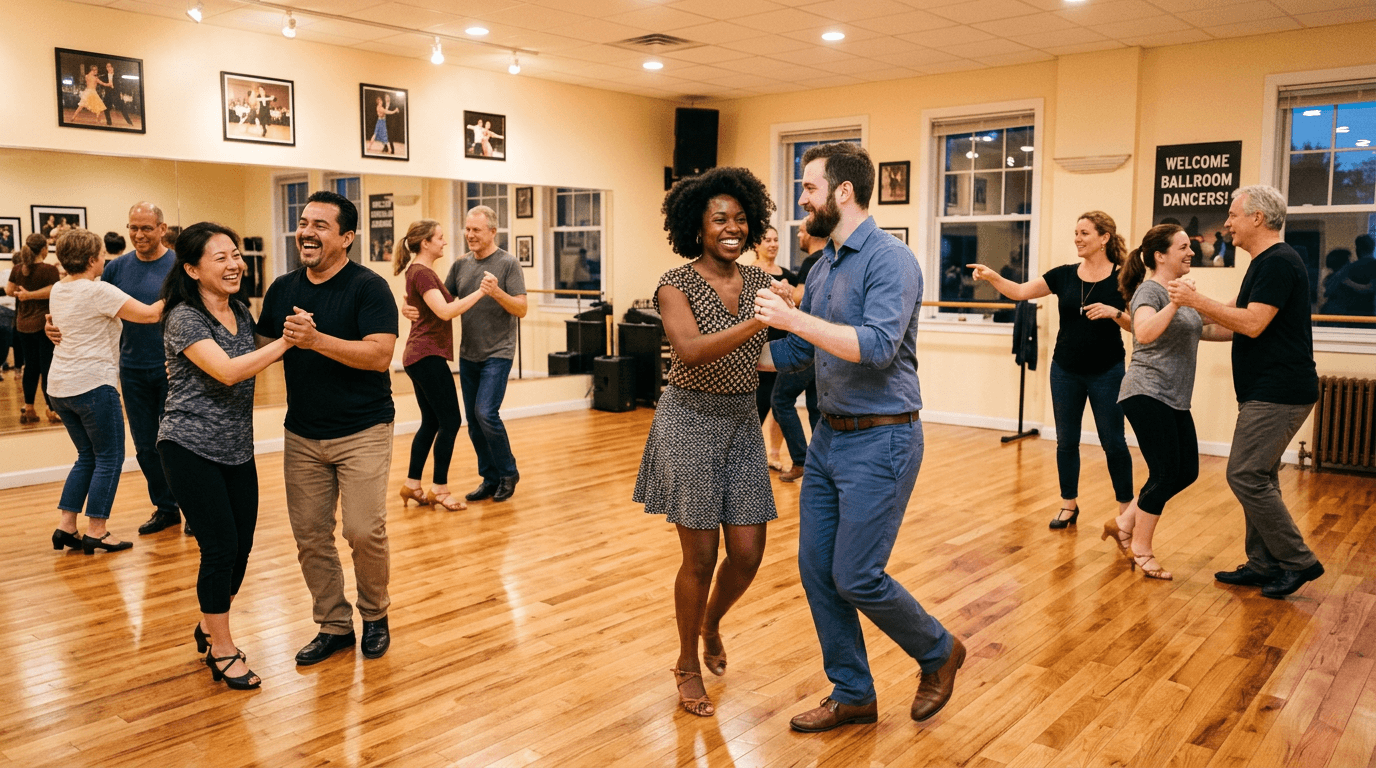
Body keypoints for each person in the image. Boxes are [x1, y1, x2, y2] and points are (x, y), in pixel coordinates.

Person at [754, 142, 962, 733]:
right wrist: (722, 354)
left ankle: (939, 650)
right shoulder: (823, 267)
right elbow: (798, 354)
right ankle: (853, 693)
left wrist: (793, 316)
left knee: (856, 575)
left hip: (883, 440)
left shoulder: (891, 261)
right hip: (828, 440)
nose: (802, 199)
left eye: (809, 188)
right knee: (817, 570)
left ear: (844, 192)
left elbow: (877, 347)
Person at [633, 166, 778, 718]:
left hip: (742, 421)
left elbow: (775, 348)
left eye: (740, 218)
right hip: (690, 420)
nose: (732, 228)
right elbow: (691, 351)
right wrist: (760, 320)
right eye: (720, 219)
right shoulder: (675, 284)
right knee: (700, 557)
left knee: (748, 554)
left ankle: (711, 622)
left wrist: (800, 323)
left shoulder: (761, 282)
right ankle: (686, 663)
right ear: (697, 226)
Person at [258, 190, 399, 664]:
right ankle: (334, 625)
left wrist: (316, 340)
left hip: (363, 429)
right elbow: (256, 347)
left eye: (320, 225)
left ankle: (375, 615)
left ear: (347, 237)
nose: (307, 232)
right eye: (304, 223)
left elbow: (379, 355)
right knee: (311, 536)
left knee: (363, 530)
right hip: (302, 432)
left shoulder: (369, 287)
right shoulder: (282, 289)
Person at [1168, 185, 1324, 600]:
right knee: (1261, 476)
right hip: (1267, 388)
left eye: (1234, 215)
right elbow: (1232, 324)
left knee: (1244, 474)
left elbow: (1252, 323)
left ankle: (1298, 560)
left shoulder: (1279, 262)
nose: (1227, 223)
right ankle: (1263, 563)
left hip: (1280, 391)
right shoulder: (1263, 263)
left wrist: (1195, 300)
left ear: (1257, 218)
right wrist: (1182, 328)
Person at [157, 222, 293, 691]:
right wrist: (287, 342)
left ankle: (208, 624)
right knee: (218, 548)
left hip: (236, 447)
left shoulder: (239, 309)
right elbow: (229, 372)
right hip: (188, 446)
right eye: (221, 257)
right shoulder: (184, 318)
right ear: (193, 270)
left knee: (241, 548)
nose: (235, 264)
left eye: (236, 254)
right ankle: (222, 649)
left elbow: (254, 354)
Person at [968, 211, 1134, 529]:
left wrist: (1115, 313)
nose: (1077, 238)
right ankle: (1068, 504)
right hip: (1065, 371)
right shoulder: (1063, 275)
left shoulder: (1123, 277)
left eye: (1084, 233)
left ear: (1104, 238)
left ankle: (1126, 508)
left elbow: (1137, 326)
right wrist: (992, 277)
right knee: (1066, 441)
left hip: (1107, 371)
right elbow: (1020, 292)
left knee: (1113, 442)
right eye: (1076, 232)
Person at [1107, 224, 1232, 580]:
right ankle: (1140, 547)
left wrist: (1248, 315)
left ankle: (1123, 522)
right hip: (1146, 391)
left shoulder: (1179, 292)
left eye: (1190, 246)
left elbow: (1212, 326)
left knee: (1186, 470)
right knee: (1164, 474)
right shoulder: (1151, 291)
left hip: (1173, 397)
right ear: (1160, 256)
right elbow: (1144, 332)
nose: (1191, 252)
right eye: (1183, 247)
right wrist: (1178, 302)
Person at [46, 229, 162, 555]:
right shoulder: (99, 291)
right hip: (92, 385)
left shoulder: (58, 288)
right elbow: (151, 314)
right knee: (110, 458)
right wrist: (178, 290)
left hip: (60, 387)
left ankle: (67, 526)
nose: (104, 260)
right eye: (100, 254)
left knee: (87, 456)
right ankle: (97, 530)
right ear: (91, 259)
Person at [405, 206, 526, 503]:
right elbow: (439, 300)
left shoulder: (508, 264)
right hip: (469, 354)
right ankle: (490, 477)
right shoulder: (460, 265)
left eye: (476, 230)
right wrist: (407, 306)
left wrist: (496, 292)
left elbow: (521, 309)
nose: (469, 235)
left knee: (486, 413)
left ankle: (508, 472)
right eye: (467, 229)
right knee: (473, 420)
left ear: (492, 232)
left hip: (498, 352)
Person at [105, 203, 184, 536]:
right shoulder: (116, 269)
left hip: (175, 369)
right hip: (133, 369)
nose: (138, 235)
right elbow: (97, 309)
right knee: (146, 447)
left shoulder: (180, 266)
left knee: (179, 444)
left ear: (162, 229)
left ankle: (195, 509)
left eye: (146, 228)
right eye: (133, 228)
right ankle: (166, 508)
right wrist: (56, 328)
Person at [394, 219, 478, 512]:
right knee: (451, 421)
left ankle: (412, 485)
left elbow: (425, 305)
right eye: (439, 237)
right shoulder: (423, 273)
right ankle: (440, 489)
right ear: (425, 243)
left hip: (419, 356)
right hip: (426, 356)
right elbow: (444, 311)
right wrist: (481, 292)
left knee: (431, 422)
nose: (444, 242)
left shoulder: (418, 271)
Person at [770, 228, 825, 483]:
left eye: (801, 231)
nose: (799, 236)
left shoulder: (812, 261)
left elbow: (800, 297)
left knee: (780, 400)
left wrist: (780, 290)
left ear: (811, 235)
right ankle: (820, 465)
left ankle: (802, 459)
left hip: (806, 343)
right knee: (815, 406)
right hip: (822, 344)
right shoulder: (830, 260)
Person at [749, 226, 796, 473]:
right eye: (767, 239)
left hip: (782, 347)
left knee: (780, 404)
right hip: (756, 348)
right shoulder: (747, 273)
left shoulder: (787, 276)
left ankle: (774, 454)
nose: (773, 244)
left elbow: (795, 308)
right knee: (757, 402)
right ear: (756, 245)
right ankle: (747, 455)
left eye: (776, 239)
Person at [9, 233, 61, 424]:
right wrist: (31, 295)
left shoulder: (17, 269)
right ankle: (51, 409)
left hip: (23, 325)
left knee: (30, 366)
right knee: (47, 367)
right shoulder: (49, 270)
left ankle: (29, 407)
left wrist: (24, 294)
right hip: (43, 326)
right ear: (44, 250)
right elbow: (53, 291)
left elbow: (9, 290)